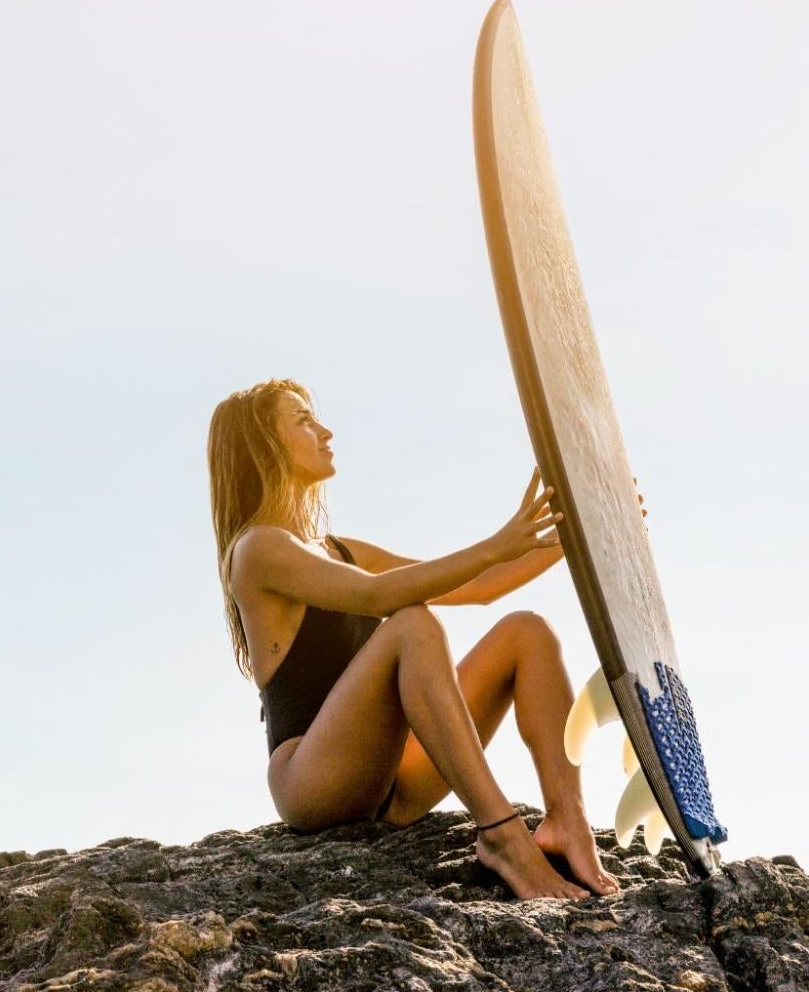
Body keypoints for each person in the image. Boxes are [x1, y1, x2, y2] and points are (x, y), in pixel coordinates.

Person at [206, 378, 621, 900]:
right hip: (313, 782)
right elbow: (382, 597)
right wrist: (495, 545)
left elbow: (480, 587)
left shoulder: (337, 549)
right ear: (262, 446)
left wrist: (587, 533)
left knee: (527, 632)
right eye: (304, 421)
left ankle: (568, 823)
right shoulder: (258, 549)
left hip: (393, 783)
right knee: (412, 624)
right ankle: (503, 836)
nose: (325, 431)